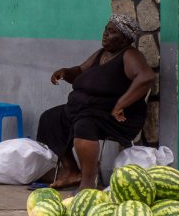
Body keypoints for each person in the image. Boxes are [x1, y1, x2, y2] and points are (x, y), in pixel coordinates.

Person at [36, 14, 154, 192]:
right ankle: (71, 171)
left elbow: (146, 77)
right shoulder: (102, 53)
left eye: (112, 32)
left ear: (125, 39)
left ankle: (88, 182)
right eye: (106, 29)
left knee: (84, 125)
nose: (105, 34)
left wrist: (120, 104)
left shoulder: (130, 55)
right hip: (85, 109)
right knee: (50, 118)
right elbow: (81, 71)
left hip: (115, 116)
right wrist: (66, 72)